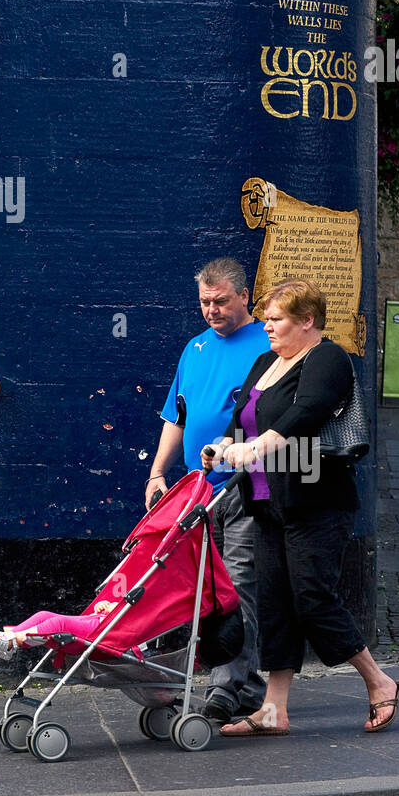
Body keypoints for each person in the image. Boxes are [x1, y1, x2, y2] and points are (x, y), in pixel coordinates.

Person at [203, 277, 399, 738]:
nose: (267, 328)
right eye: (267, 319)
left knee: (312, 598)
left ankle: (379, 679)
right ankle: (273, 710)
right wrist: (222, 448)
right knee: (275, 603)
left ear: (307, 321)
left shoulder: (327, 357)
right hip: (266, 502)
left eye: (276, 320)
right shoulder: (265, 362)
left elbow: (309, 410)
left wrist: (260, 447)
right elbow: (241, 422)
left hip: (317, 501)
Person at [146, 258, 270, 722]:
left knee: (239, 583)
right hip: (197, 489)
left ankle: (226, 686)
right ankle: (244, 684)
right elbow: (176, 417)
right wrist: (157, 473)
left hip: (246, 483)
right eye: (204, 302)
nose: (211, 310)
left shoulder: (268, 344)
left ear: (244, 297)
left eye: (220, 301)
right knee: (206, 588)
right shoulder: (194, 348)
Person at [0, 600, 119, 660]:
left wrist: (114, 608)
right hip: (96, 621)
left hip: (104, 633)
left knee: (59, 624)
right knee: (43, 615)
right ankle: (10, 640)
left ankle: (10, 642)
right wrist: (102, 606)